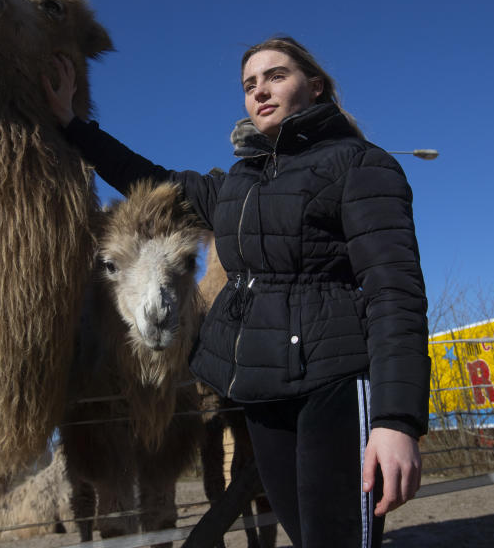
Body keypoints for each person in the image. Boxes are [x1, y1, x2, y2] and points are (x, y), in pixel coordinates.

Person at [45, 36, 430, 548]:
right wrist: (74, 126)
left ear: (314, 86)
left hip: (333, 386)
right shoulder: (240, 185)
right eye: (250, 84)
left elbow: (395, 290)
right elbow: (150, 180)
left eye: (275, 76)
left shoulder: (360, 165)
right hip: (264, 393)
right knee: (300, 533)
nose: (260, 91)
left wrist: (395, 420)